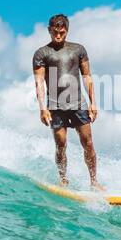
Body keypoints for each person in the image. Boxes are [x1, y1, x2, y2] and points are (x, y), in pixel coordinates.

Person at [32, 14, 102, 189]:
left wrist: (93, 103)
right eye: (55, 32)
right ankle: (63, 180)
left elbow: (87, 77)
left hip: (78, 103)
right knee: (60, 144)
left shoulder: (78, 49)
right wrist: (42, 108)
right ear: (49, 30)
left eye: (61, 32)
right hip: (55, 105)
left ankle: (94, 181)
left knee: (88, 142)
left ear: (67, 30)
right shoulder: (42, 53)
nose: (58, 35)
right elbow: (39, 82)